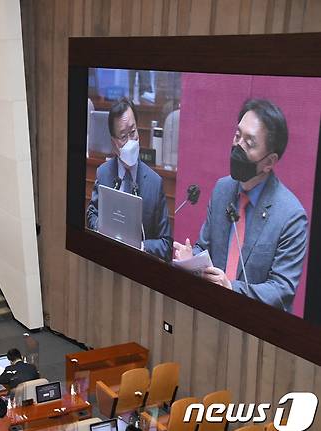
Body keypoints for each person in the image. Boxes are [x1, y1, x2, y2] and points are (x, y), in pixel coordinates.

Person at [173, 99, 307, 312]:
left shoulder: (291, 216)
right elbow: (204, 247)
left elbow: (282, 289)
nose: (238, 147)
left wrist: (231, 288)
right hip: (210, 313)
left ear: (269, 162)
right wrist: (191, 259)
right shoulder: (222, 189)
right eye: (237, 136)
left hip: (257, 331)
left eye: (250, 143)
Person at [85, 98, 172, 261]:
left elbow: (166, 245)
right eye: (123, 136)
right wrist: (101, 228)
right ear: (113, 143)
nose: (131, 141)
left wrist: (141, 246)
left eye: (133, 132)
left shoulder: (154, 183)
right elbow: (91, 214)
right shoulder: (103, 173)